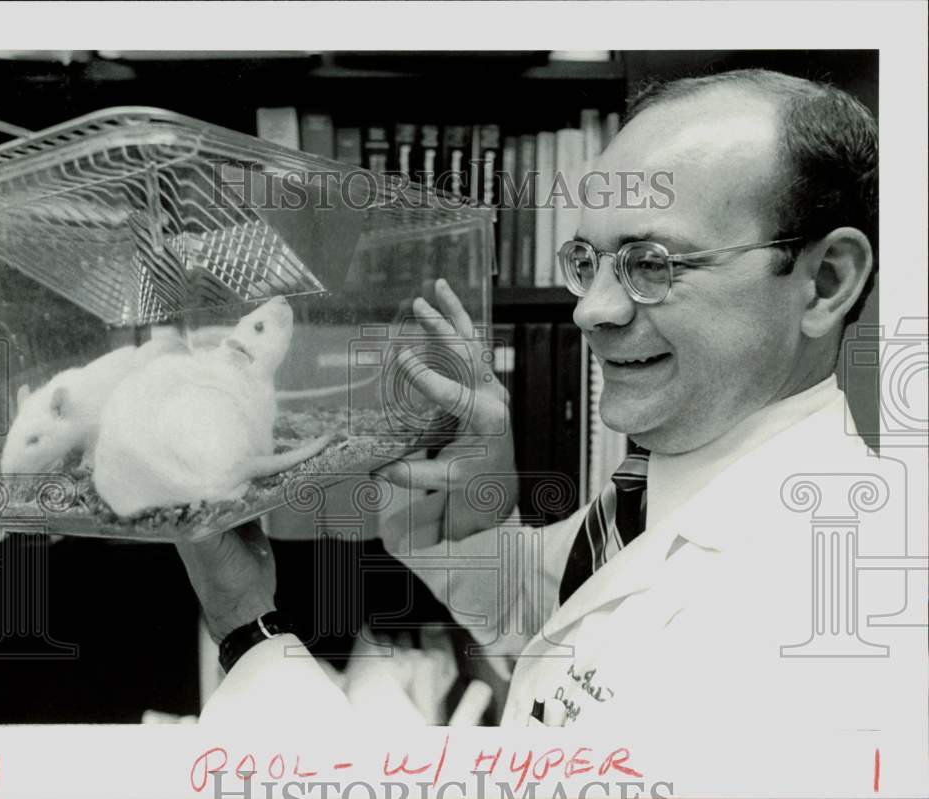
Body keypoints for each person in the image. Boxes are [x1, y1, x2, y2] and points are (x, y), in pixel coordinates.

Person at [176, 69, 918, 738]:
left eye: (651, 262)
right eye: (587, 262)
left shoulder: (837, 606)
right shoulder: (669, 482)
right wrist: (470, 535)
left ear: (826, 282)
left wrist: (247, 623)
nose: (590, 310)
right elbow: (570, 640)